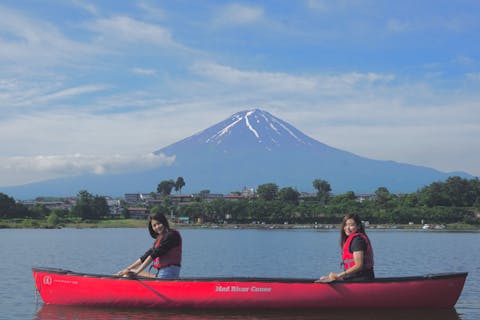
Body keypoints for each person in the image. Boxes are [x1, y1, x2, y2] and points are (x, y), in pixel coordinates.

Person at [115, 211, 182, 279]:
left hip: (168, 275)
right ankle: (115, 277)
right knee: (128, 273)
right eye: (154, 225)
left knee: (129, 275)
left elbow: (153, 255)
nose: (157, 227)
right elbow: (146, 256)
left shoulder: (172, 235)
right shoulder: (161, 238)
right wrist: (128, 269)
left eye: (159, 223)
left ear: (164, 222)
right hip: (161, 273)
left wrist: (137, 272)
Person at [318, 213, 374, 282]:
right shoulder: (352, 239)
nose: (347, 228)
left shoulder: (358, 240)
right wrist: (332, 278)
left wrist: (338, 275)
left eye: (351, 225)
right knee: (323, 278)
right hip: (353, 278)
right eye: (346, 225)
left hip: (362, 279)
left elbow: (359, 265)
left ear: (358, 226)